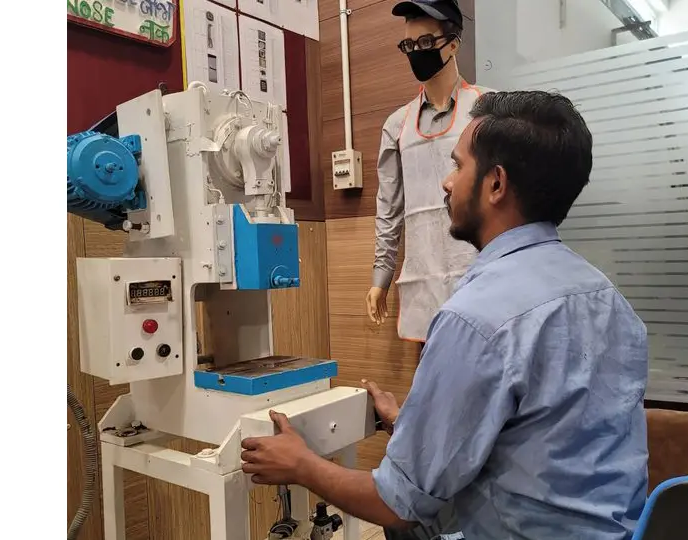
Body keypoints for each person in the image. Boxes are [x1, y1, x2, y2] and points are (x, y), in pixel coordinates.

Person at [241, 90, 650, 540]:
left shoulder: (475, 319)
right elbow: (546, 437)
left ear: (496, 184)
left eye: (458, 166)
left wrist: (301, 465)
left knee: (403, 528)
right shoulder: (608, 298)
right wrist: (415, 425)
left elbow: (396, 505)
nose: (447, 183)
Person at [366, 0, 493, 347]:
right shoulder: (398, 125)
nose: (416, 53)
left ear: (453, 44)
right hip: (424, 278)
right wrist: (381, 277)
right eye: (408, 45)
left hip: (481, 276)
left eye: (425, 43)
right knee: (433, 373)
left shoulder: (489, 109)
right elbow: (389, 209)